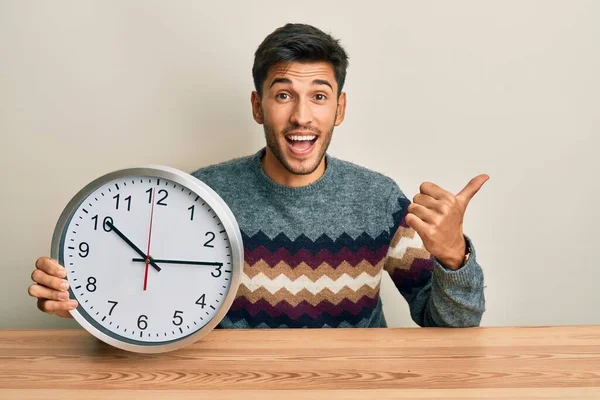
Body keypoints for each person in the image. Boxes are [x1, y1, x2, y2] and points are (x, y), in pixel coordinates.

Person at [29, 23, 487, 328]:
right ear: (257, 106)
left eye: (319, 97)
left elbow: (450, 326)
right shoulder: (199, 198)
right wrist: (86, 303)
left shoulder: (379, 198)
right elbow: (149, 300)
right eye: (283, 94)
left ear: (340, 110)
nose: (302, 116)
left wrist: (453, 257)